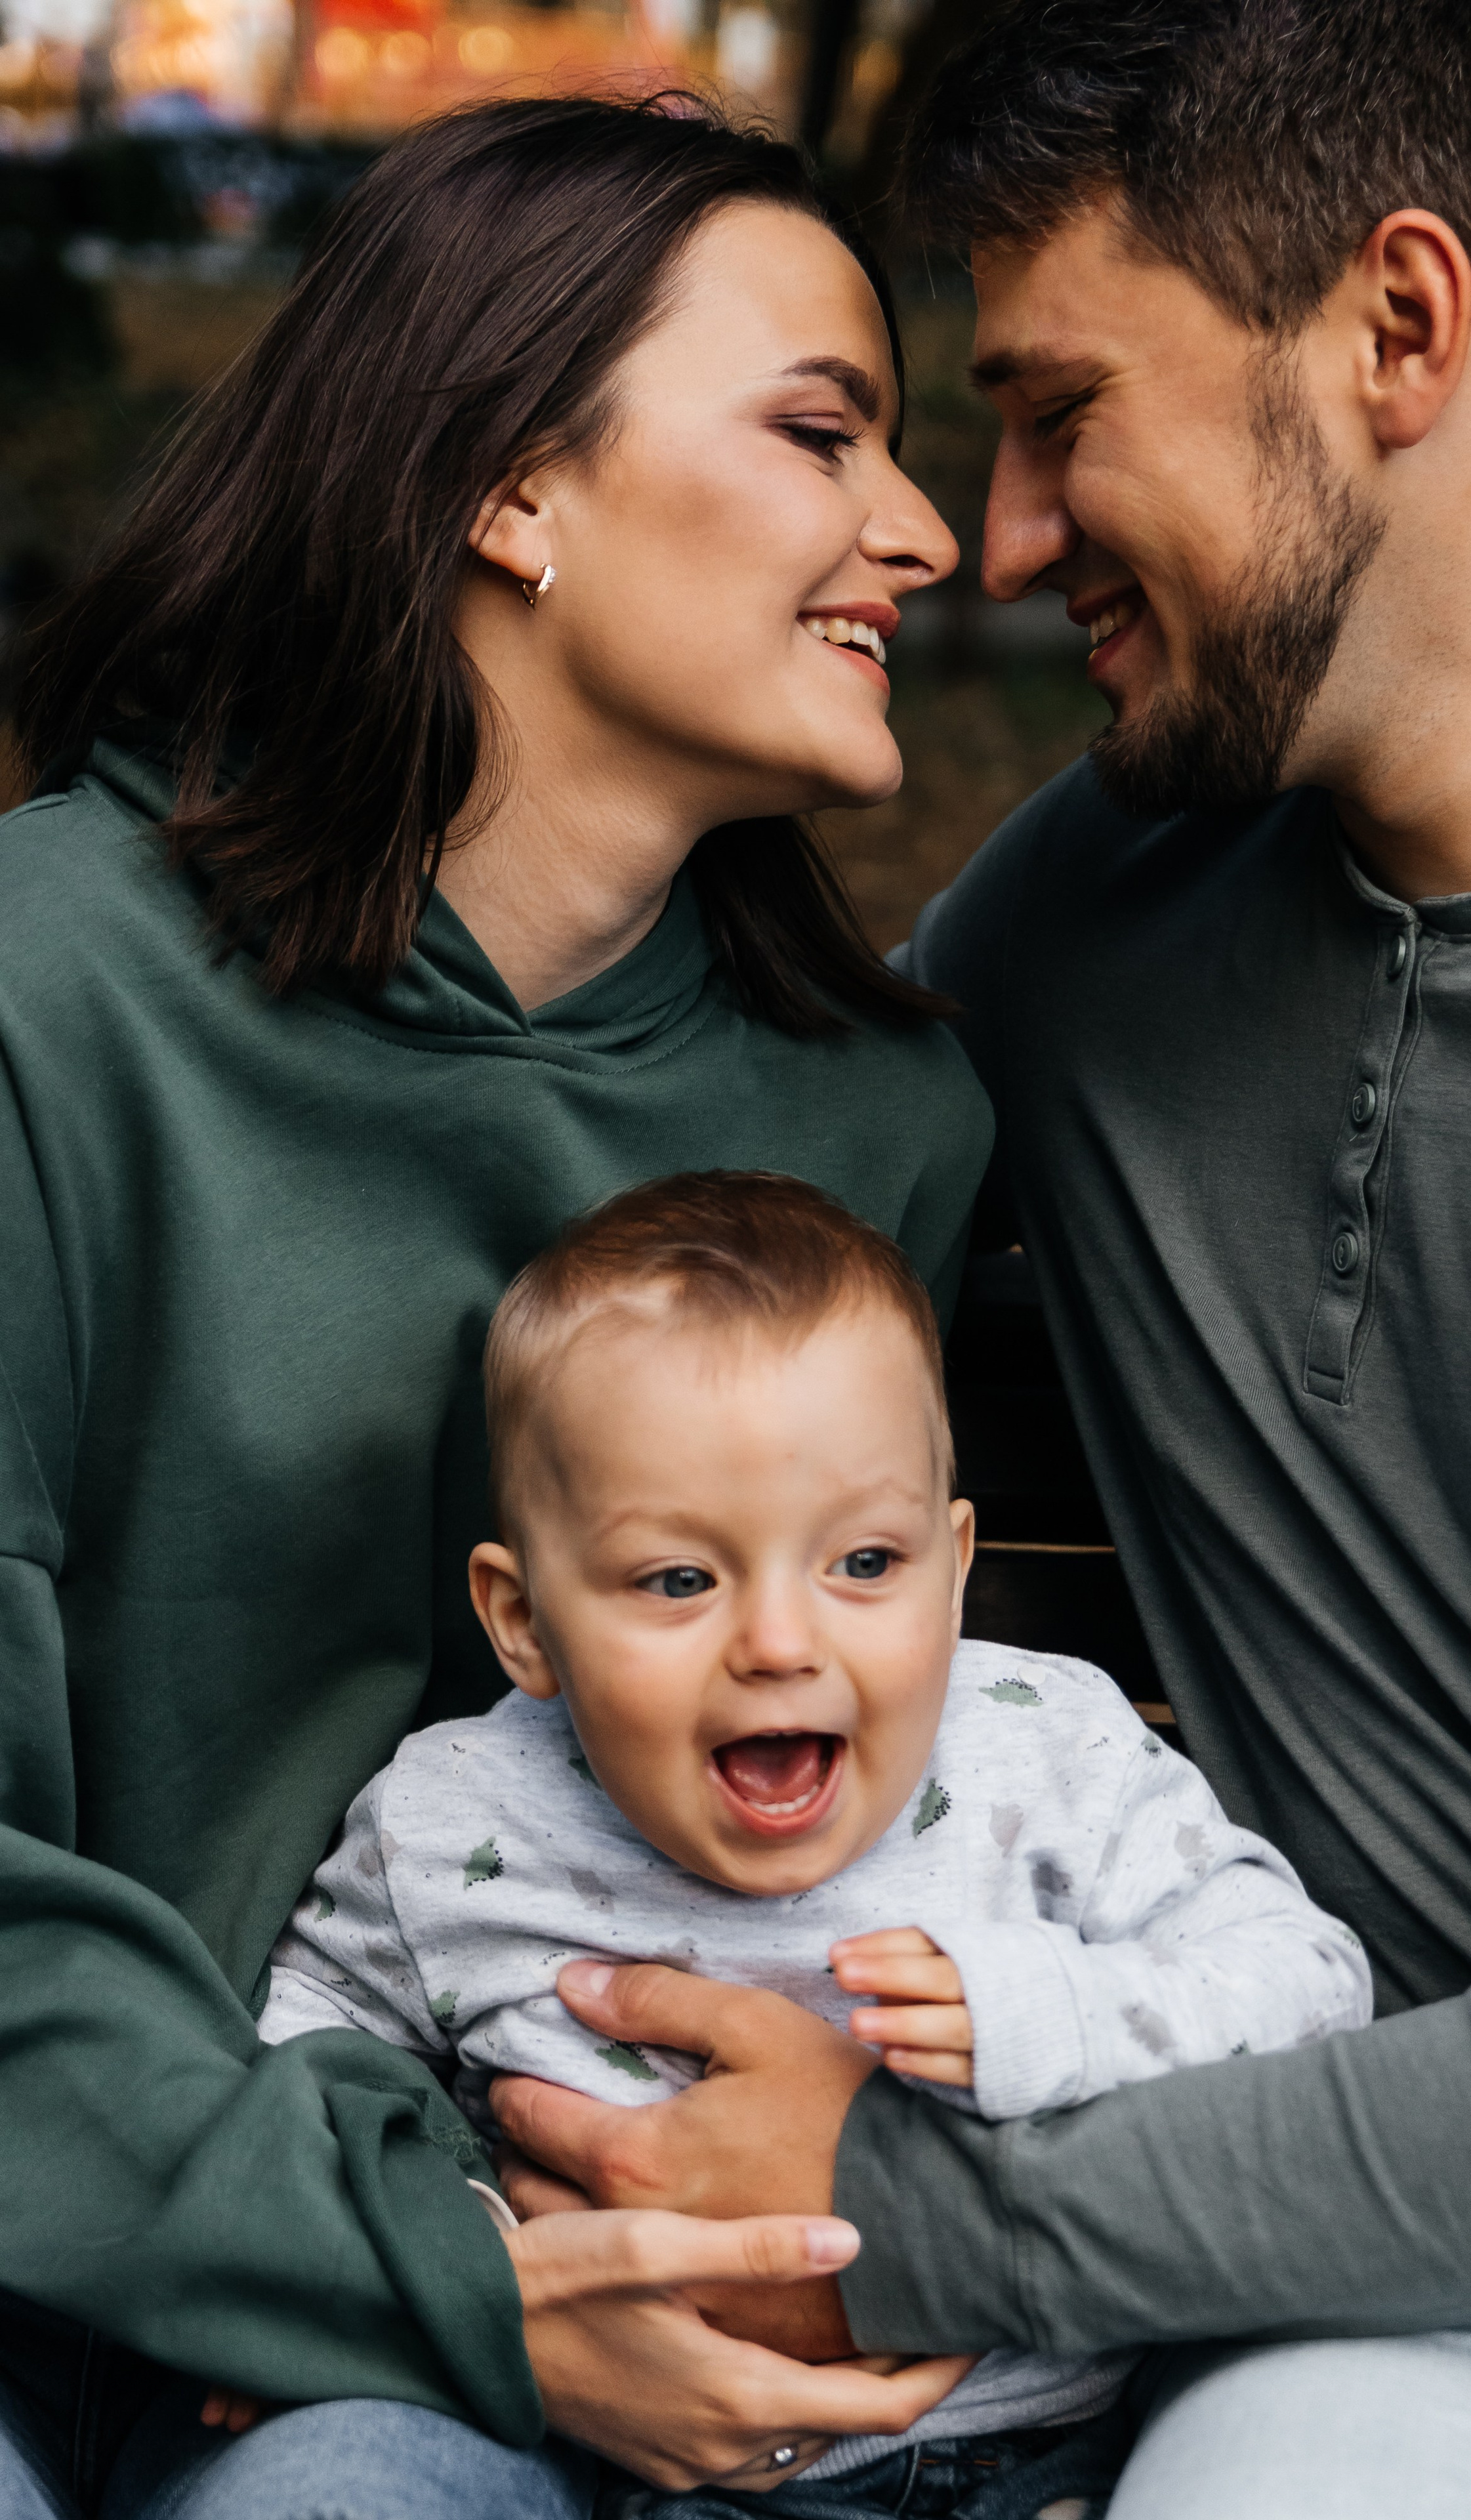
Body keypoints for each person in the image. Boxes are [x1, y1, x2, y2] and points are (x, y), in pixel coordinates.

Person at [476, 3, 1471, 2513]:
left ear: (1401, 326)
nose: (996, 539)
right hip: (1398, 2313)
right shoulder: (1101, 925)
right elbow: (638, 1201)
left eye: (1057, 409)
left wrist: (923, 2220)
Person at [0, 94, 997, 2520]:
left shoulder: (874, 1133)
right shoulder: (49, 1002)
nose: (929, 529)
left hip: (509, 2334)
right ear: (511, 489)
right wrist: (403, 2263)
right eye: (818, 431)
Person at [230, 1169, 1368, 2510]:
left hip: (1039, 2447)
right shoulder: (452, 1820)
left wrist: (1047, 2014)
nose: (779, 1643)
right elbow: (309, 2041)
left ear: (953, 1571)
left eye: (864, 1565)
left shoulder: (1049, 1752)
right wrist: (333, 2273)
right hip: (634, 2467)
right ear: (523, 1620)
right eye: (678, 1579)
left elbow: (1312, 1991)